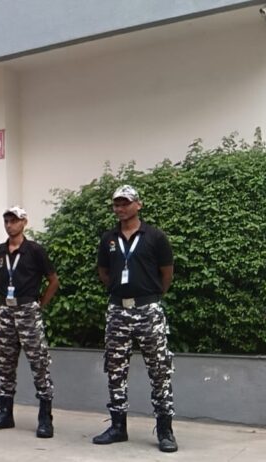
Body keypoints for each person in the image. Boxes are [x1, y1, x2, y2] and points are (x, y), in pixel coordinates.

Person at [92, 185, 178, 453]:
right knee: (115, 370)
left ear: (138, 205)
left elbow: (167, 273)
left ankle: (165, 430)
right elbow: (104, 272)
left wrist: (150, 296)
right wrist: (119, 292)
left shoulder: (155, 236)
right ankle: (118, 427)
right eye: (116, 204)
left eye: (125, 203)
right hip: (118, 311)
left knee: (159, 370)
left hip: (148, 310)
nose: (120, 208)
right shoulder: (108, 238)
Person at [0, 206, 59, 438]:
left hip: (28, 310)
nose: (9, 225)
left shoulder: (34, 250)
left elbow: (53, 280)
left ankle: (45, 418)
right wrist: (3, 302)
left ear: (24, 222)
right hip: (6, 311)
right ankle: (5, 413)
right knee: (5, 362)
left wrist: (38, 305)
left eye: (14, 220)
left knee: (39, 363)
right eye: (6, 220)